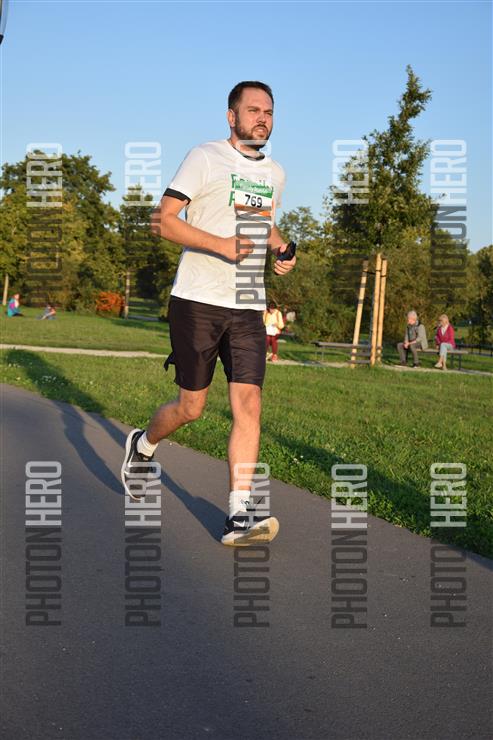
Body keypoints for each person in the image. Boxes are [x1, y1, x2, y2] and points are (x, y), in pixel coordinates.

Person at [121, 81, 296, 546]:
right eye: (253, 110)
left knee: (249, 403)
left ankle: (239, 514)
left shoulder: (275, 173)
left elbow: (263, 221)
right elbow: (163, 220)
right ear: (231, 117)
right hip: (197, 300)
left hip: (248, 305)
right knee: (191, 407)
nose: (262, 118)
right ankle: (143, 444)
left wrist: (280, 248)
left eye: (269, 112)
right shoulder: (205, 157)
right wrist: (219, 245)